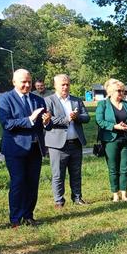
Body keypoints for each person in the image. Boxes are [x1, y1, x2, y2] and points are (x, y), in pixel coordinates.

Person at [0, 69, 53, 227]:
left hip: (35, 149)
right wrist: (29, 119)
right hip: (15, 148)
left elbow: (47, 126)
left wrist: (46, 121)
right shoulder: (5, 99)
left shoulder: (38, 100)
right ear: (14, 82)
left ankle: (28, 215)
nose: (27, 85)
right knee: (18, 182)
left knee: (32, 183)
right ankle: (15, 219)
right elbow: (7, 124)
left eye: (29, 81)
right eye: (23, 82)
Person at [44, 74, 90, 208]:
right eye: (62, 84)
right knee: (58, 174)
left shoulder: (76, 100)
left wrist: (76, 117)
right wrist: (66, 119)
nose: (65, 87)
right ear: (55, 86)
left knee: (76, 173)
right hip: (57, 145)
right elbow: (48, 120)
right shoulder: (48, 100)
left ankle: (77, 197)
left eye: (67, 84)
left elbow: (86, 117)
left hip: (75, 143)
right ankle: (59, 201)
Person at [95, 78, 127, 202]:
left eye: (123, 91)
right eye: (118, 91)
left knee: (125, 167)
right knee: (113, 168)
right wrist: (114, 126)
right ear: (110, 91)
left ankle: (124, 194)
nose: (121, 93)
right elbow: (99, 121)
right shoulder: (103, 104)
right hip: (110, 140)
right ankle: (115, 193)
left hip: (126, 139)